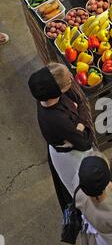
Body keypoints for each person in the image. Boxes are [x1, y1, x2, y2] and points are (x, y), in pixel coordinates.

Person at [28, 63, 100, 212]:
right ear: (58, 91)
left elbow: (79, 100)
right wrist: (82, 121)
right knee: (84, 195)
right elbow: (85, 141)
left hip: (67, 143)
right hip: (72, 158)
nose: (73, 79)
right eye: (69, 80)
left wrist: (79, 123)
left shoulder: (45, 96)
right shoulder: (56, 119)